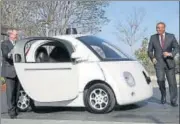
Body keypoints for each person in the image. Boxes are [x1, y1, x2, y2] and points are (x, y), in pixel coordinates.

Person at [148, 22, 179, 107]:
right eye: (157, 28)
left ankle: (173, 100)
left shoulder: (171, 36)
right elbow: (150, 50)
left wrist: (170, 54)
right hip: (158, 64)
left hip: (169, 63)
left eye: (159, 28)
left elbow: (177, 47)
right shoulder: (153, 37)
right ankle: (163, 95)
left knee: (172, 83)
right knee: (160, 81)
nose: (158, 29)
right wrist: (152, 58)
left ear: (164, 28)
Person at [1, 29, 19, 118]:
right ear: (10, 35)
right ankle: (11, 112)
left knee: (16, 93)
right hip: (9, 72)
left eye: (17, 34)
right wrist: (14, 51)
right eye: (15, 34)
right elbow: (6, 55)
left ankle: (15, 110)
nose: (17, 36)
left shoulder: (18, 43)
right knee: (10, 93)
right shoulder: (4, 43)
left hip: (18, 72)